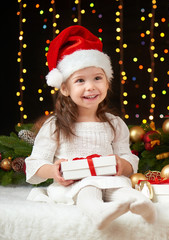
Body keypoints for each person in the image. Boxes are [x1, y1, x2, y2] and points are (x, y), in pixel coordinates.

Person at [25, 25, 156, 229]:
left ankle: (140, 205)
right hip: (74, 185)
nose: (91, 87)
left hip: (108, 180)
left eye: (97, 78)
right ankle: (99, 213)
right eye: (80, 80)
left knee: (122, 188)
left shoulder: (114, 123)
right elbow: (35, 163)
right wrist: (54, 170)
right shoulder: (56, 125)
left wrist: (123, 165)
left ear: (107, 82)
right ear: (65, 88)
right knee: (89, 189)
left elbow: (128, 157)